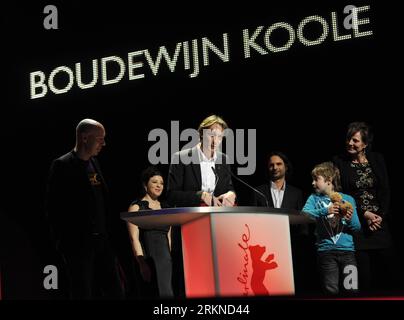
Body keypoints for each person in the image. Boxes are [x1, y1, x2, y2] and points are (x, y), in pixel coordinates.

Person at [45, 119, 124, 299]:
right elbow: (53, 209)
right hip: (78, 245)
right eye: (100, 139)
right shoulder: (62, 165)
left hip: (103, 242)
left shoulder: (94, 163)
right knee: (83, 292)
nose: (103, 143)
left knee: (116, 291)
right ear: (85, 138)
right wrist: (65, 243)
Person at [167, 114, 236, 297]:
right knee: (187, 279)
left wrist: (231, 194)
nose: (215, 141)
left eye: (220, 136)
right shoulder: (181, 157)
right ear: (200, 134)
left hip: (216, 228)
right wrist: (200, 195)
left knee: (214, 278)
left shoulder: (223, 160)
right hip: (189, 227)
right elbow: (171, 195)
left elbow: (230, 187)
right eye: (211, 135)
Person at [333, 122, 402, 294]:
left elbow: (385, 190)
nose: (350, 143)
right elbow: (343, 193)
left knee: (392, 274)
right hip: (357, 225)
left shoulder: (378, 159)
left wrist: (380, 216)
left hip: (379, 223)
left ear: (365, 144)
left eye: (355, 140)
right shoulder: (339, 162)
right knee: (363, 279)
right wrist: (365, 213)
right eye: (349, 139)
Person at [252, 151, 317, 295]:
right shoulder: (258, 192)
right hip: (266, 249)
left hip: (292, 246)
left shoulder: (297, 193)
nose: (275, 167)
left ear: (286, 167)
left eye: (279, 164)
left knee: (292, 286)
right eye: (271, 165)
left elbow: (303, 223)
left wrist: (301, 245)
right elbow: (253, 221)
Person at [303, 162, 361, 295]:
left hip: (348, 253)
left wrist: (348, 217)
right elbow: (304, 215)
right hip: (326, 252)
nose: (312, 183)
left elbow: (357, 227)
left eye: (316, 179)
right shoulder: (314, 198)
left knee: (352, 290)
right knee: (331, 291)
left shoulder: (348, 199)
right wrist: (325, 210)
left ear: (329, 180)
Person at [127, 166, 173, 298]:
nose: (159, 185)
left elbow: (168, 236)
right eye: (154, 182)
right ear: (145, 184)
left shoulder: (166, 208)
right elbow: (133, 238)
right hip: (148, 260)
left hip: (166, 262)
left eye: (162, 183)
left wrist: (169, 259)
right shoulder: (136, 207)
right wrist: (142, 264)